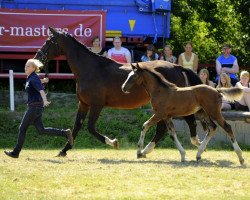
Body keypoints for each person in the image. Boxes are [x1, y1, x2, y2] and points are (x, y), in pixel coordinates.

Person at [4, 59, 73, 158]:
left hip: (34, 107)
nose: (25, 68)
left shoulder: (33, 77)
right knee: (41, 130)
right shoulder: (31, 78)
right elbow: (36, 82)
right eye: (25, 66)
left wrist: (45, 100)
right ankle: (65, 133)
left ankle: (15, 153)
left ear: (33, 68)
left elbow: (41, 90)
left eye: (28, 66)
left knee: (22, 128)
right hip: (36, 107)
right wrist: (44, 80)